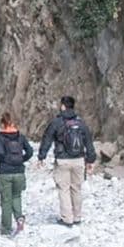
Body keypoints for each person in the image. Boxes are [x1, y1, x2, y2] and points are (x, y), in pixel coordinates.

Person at [38, 96, 96, 226]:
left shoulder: (57, 122)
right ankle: (77, 217)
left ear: (63, 106)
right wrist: (90, 160)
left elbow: (47, 139)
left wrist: (41, 157)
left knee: (63, 189)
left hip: (63, 160)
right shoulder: (80, 123)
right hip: (79, 160)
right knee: (76, 188)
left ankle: (67, 219)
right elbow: (88, 142)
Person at [0, 112, 33, 236]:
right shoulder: (20, 137)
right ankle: (19, 218)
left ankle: (6, 229)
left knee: (6, 200)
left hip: (5, 173)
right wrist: (22, 159)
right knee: (17, 196)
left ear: (2, 123)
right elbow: (30, 151)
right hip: (19, 172)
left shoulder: (0, 138)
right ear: (13, 123)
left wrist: (0, 161)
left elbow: (0, 153)